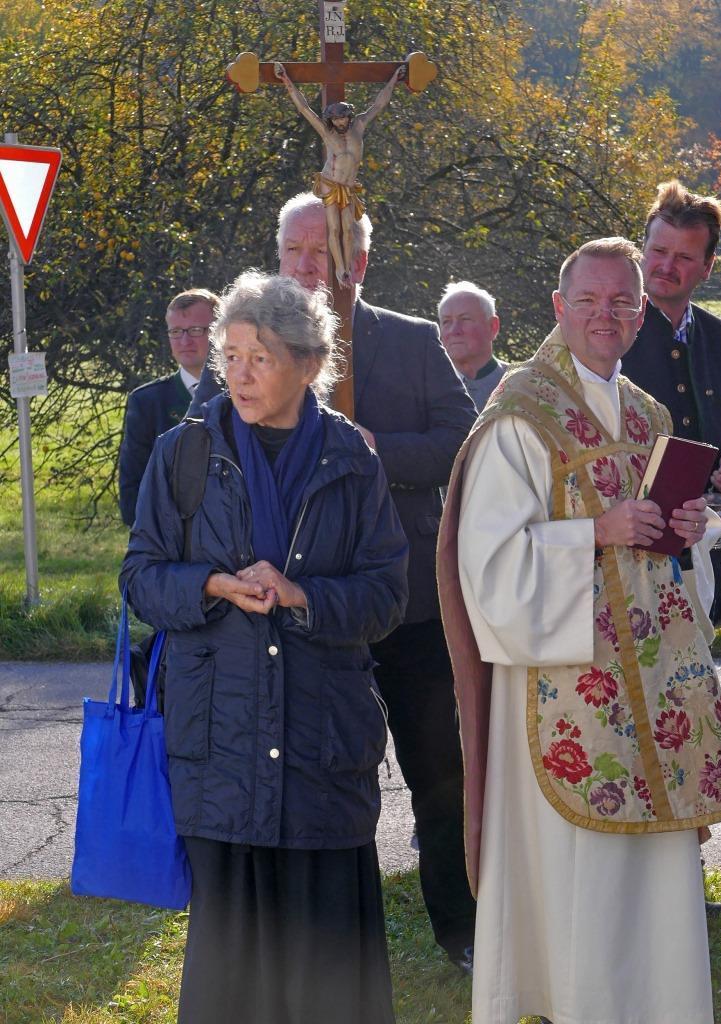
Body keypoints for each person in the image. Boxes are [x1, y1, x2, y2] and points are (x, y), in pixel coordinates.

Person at [438, 237, 721, 1024]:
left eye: (621, 302)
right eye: (588, 300)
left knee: (652, 880)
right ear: (559, 307)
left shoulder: (649, 414)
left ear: (642, 313)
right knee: (578, 882)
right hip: (564, 690)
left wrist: (691, 531)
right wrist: (595, 532)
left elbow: (667, 561)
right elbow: (488, 565)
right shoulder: (521, 414)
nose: (604, 316)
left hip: (652, 686)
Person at [192, 192, 478, 972]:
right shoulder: (244, 349)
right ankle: (304, 935)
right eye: (294, 248)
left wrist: (375, 450)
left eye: (324, 249)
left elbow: (463, 439)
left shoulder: (412, 340)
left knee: (439, 771)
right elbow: (201, 449)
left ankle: (460, 928)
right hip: (287, 621)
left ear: (361, 259)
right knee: (303, 777)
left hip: (404, 602)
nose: (307, 263)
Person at [120, 271, 408, 1024]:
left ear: (309, 365)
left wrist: (302, 595)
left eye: (261, 357)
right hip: (223, 750)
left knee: (330, 982)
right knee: (233, 981)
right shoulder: (184, 453)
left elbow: (387, 596)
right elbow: (141, 578)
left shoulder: (352, 458)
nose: (240, 375)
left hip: (323, 752)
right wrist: (213, 584)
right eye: (231, 356)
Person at [621, 180, 721, 627]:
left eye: (684, 257)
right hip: (625, 566)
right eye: (658, 251)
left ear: (708, 266)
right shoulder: (609, 335)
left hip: (708, 558)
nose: (666, 266)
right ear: (641, 251)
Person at [274, 62, 405, 287]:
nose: (340, 122)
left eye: (343, 118)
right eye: (335, 120)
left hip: (348, 187)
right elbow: (305, 109)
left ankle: (345, 267)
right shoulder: (328, 134)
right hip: (330, 184)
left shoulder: (359, 126)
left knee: (348, 230)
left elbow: (379, 104)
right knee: (333, 229)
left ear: (349, 117)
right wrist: (287, 80)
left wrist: (394, 78)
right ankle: (341, 269)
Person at [118, 288, 219, 526]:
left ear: (220, 332)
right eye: (176, 332)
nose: (185, 341)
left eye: (196, 330)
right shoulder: (147, 402)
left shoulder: (244, 395)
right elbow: (133, 489)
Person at [438, 281, 510, 411]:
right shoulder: (425, 388)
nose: (454, 331)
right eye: (446, 322)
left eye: (465, 319)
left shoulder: (520, 385)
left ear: (492, 326)